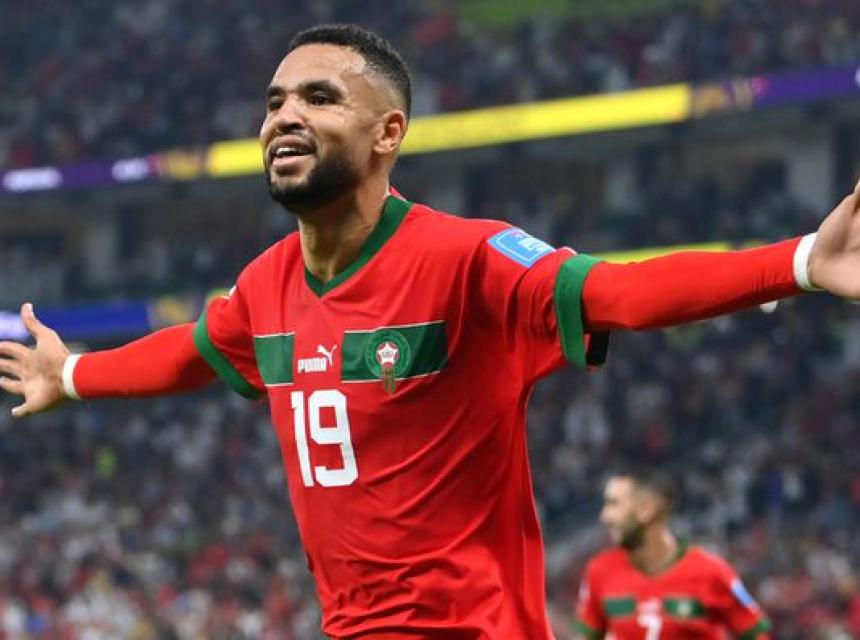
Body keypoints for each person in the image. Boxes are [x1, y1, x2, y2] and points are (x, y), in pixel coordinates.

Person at [1, 23, 860, 639]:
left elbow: (618, 291)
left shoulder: (468, 257)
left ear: (389, 133)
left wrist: (796, 263)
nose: (285, 115)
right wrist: (72, 376)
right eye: (275, 100)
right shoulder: (265, 285)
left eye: (319, 97)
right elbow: (191, 352)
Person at [574, 471, 770, 639]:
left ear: (646, 510)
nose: (605, 516)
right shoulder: (599, 572)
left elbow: (756, 635)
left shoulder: (712, 572)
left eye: (614, 504)